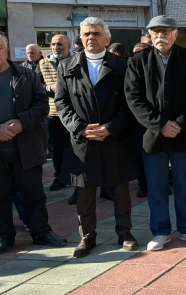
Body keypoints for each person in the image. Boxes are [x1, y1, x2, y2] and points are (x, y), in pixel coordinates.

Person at [55, 17, 138, 257]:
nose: (91, 38)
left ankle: (125, 233)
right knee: (85, 191)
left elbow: (129, 103)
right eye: (86, 34)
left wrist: (111, 127)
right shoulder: (66, 65)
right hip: (83, 139)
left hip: (114, 138)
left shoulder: (122, 65)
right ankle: (87, 237)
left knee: (120, 189)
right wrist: (79, 127)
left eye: (96, 33)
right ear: (80, 39)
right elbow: (61, 102)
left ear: (107, 38)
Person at [125, 15, 186, 251]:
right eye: (155, 31)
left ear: (174, 33)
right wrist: (160, 124)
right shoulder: (138, 60)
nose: (160, 35)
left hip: (184, 132)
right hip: (152, 135)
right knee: (156, 186)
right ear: (149, 35)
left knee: (184, 185)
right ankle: (160, 231)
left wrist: (178, 123)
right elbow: (133, 98)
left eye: (165, 31)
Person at [0, 34, 68, 253]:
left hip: (25, 148)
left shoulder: (25, 74)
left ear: (7, 48)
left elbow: (42, 105)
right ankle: (3, 236)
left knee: (34, 194)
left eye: (0, 47)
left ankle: (41, 232)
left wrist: (22, 122)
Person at [38, 34, 71, 192]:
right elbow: (37, 86)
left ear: (68, 46)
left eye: (60, 44)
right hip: (54, 113)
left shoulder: (77, 60)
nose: (56, 47)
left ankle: (78, 180)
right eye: (53, 44)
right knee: (56, 148)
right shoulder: (43, 63)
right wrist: (48, 88)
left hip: (74, 113)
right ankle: (59, 178)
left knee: (75, 147)